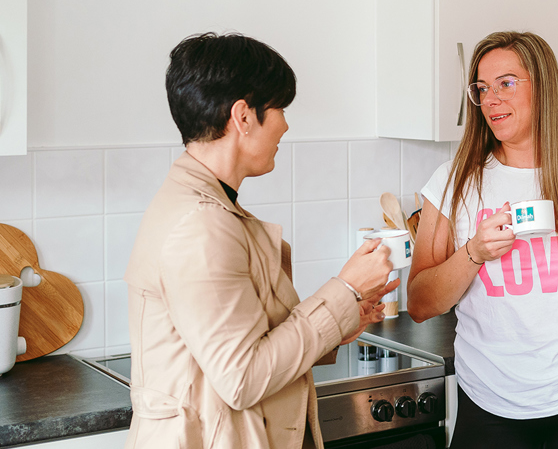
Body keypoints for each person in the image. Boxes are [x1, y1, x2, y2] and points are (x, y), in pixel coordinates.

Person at [123, 32, 398, 449]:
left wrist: (345, 318)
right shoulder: (200, 225)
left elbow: (246, 339)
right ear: (243, 116)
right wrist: (345, 289)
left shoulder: (203, 204)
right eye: (279, 108)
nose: (285, 125)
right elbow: (242, 377)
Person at [406, 31, 558, 448]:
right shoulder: (453, 184)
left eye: (506, 83)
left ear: (542, 88)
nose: (490, 99)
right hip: (490, 402)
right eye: (482, 88)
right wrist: (473, 253)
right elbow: (419, 303)